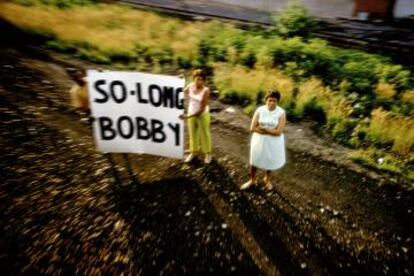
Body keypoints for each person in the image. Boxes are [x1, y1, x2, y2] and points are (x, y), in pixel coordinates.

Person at [241, 91, 286, 191]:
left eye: (274, 101)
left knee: (269, 160)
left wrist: (264, 129)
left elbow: (279, 132)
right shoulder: (260, 110)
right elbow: (252, 128)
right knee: (254, 160)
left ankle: (267, 179)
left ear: (277, 101)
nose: (272, 103)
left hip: (273, 142)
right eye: (270, 100)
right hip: (259, 140)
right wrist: (270, 131)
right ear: (266, 100)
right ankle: (252, 180)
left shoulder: (281, 113)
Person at [179, 69, 212, 164]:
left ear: (204, 80)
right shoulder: (190, 86)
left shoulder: (206, 91)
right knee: (192, 133)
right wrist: (178, 81)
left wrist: (187, 116)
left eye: (201, 79)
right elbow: (181, 92)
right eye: (197, 79)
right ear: (193, 79)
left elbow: (201, 109)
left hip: (202, 114)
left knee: (204, 134)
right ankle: (193, 152)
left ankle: (208, 154)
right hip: (191, 112)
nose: (199, 81)